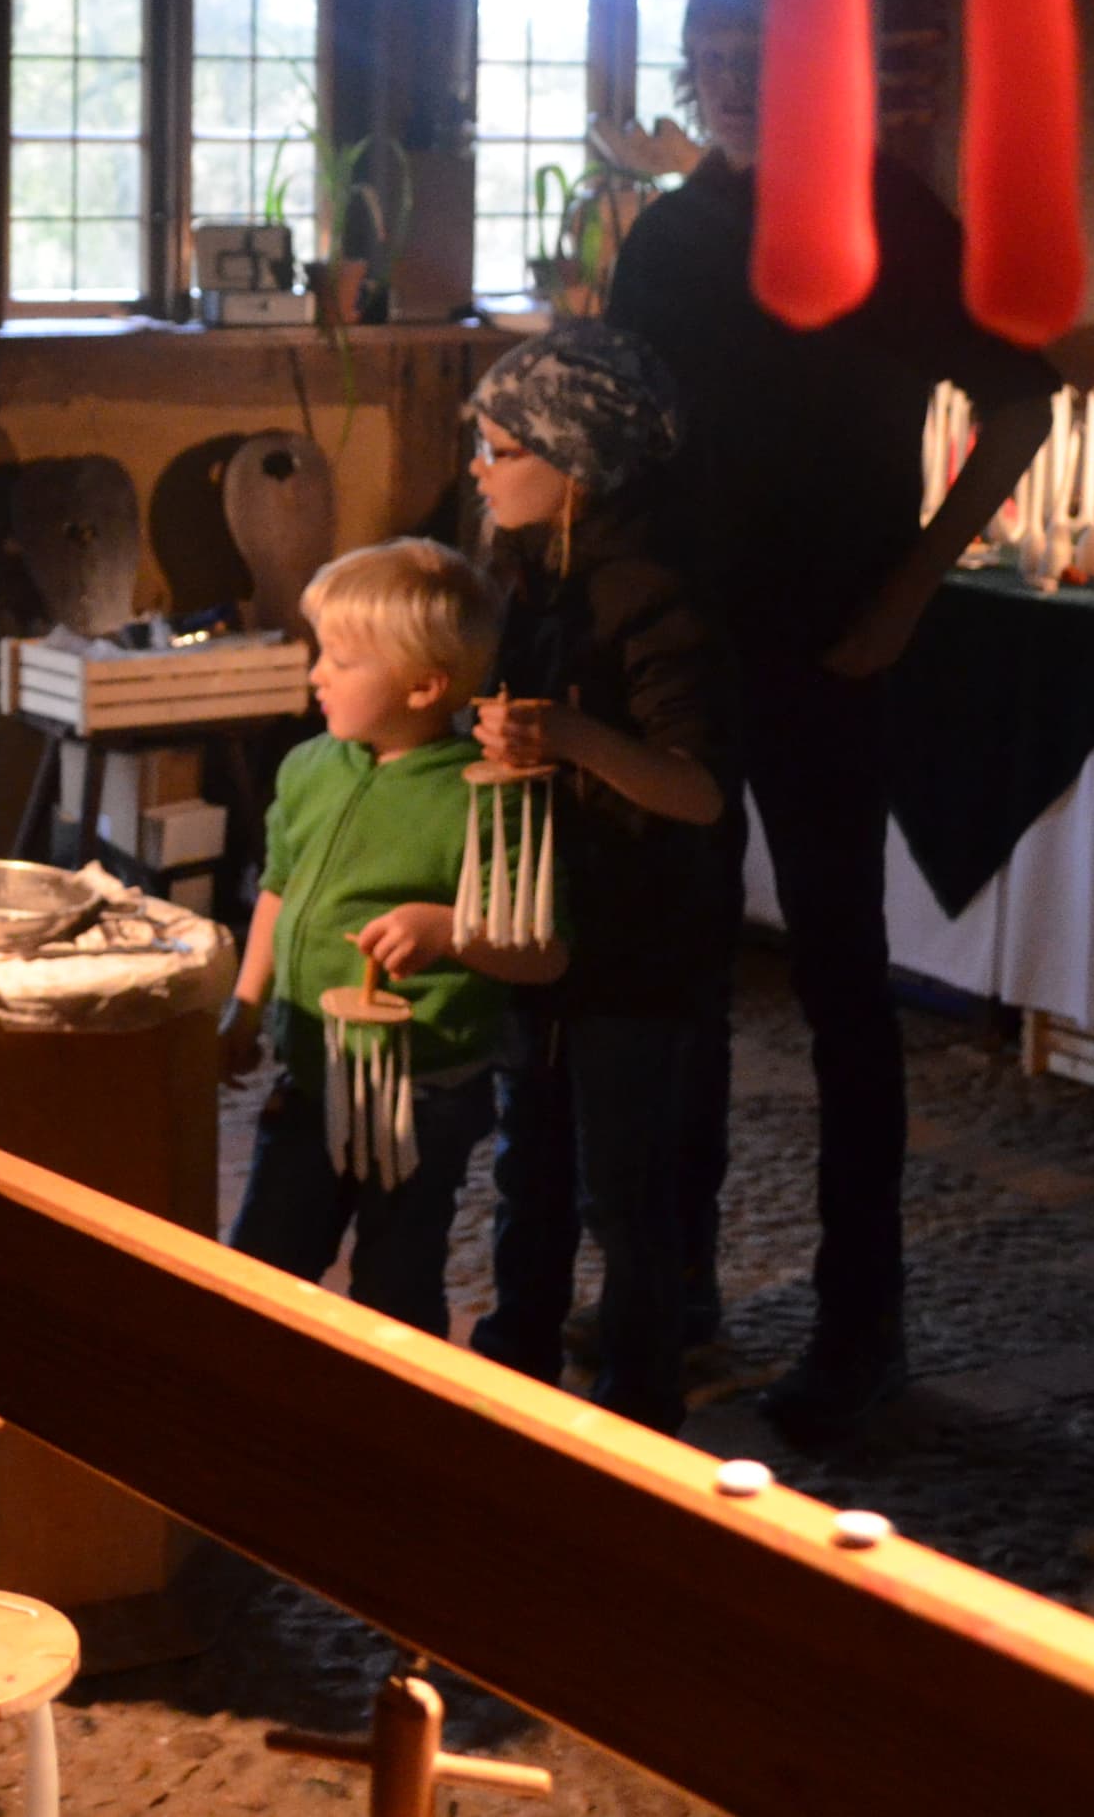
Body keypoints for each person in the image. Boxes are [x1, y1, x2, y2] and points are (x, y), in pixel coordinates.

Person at [603, 0, 1057, 1446]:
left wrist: (915, 586)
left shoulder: (887, 214)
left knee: (841, 985)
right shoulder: (667, 237)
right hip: (679, 645)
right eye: (710, 48)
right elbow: (626, 432)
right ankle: (676, 1280)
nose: (733, 70)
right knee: (676, 971)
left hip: (833, 645)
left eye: (761, 48)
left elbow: (1024, 398)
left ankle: (866, 1318)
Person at [448, 324, 735, 1435]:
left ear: (577, 462)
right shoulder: (526, 579)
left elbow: (699, 787)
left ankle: (637, 1394)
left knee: (628, 1182)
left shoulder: (658, 598)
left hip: (641, 935)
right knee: (530, 1156)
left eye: (502, 446)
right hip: (548, 923)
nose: (480, 465)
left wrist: (568, 730)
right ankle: (517, 1352)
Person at [216, 539, 555, 1337]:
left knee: (397, 1279)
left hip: (424, 1090)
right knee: (263, 1261)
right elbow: (278, 885)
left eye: (340, 658)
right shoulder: (307, 767)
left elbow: (546, 950)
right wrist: (245, 1002)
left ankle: (394, 1420)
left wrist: (452, 929)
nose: (316, 674)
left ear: (424, 685)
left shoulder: (484, 799)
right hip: (311, 1068)